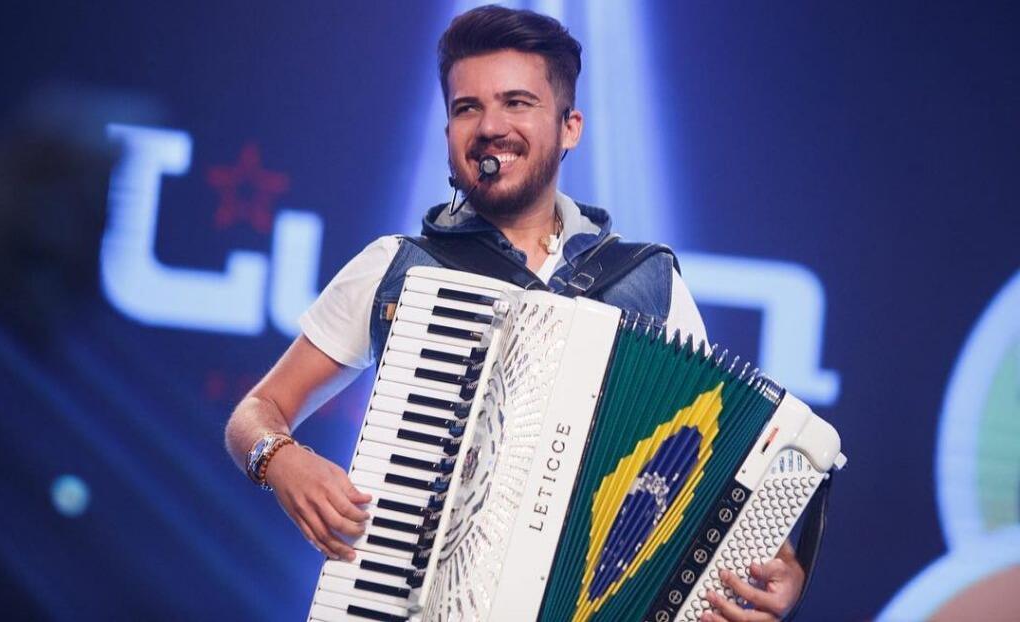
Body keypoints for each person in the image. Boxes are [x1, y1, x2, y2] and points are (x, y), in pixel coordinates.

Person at [224, 6, 804, 620]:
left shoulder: (647, 282)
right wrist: (280, 458)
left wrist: (778, 567)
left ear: (570, 127)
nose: (489, 127)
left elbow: (715, 457)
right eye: (466, 108)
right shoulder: (397, 267)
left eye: (517, 103)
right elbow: (255, 413)